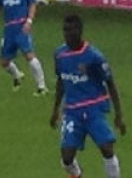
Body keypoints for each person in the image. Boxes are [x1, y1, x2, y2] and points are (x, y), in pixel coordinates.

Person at [50, 15, 127, 178]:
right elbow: (61, 81)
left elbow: (110, 83)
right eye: (64, 30)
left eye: (70, 31)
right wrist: (55, 110)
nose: (66, 34)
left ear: (79, 31)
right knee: (67, 158)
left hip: (93, 110)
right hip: (72, 112)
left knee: (107, 148)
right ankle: (77, 174)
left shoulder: (94, 57)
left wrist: (119, 114)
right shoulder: (60, 55)